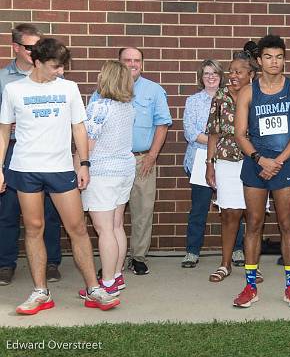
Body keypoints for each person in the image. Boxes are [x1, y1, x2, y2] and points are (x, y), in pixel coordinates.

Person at [0, 38, 119, 314]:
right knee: (34, 229)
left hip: (61, 168)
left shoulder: (69, 89)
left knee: (77, 228)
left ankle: (94, 289)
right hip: (25, 168)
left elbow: (79, 127)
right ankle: (41, 292)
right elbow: (4, 130)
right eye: (55, 66)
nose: (60, 71)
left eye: (62, 67)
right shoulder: (14, 89)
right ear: (37, 62)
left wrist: (85, 163)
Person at [233, 35, 290, 308]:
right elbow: (239, 133)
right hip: (255, 166)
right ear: (259, 60)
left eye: (278, 57)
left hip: (285, 166)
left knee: (287, 225)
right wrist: (259, 158)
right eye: (268, 57)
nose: (274, 62)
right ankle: (250, 286)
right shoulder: (248, 92)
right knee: (253, 224)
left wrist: (277, 161)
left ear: (284, 59)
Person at [94, 47, 172, 276]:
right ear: (119, 64)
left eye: (136, 60)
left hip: (141, 160)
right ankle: (111, 262)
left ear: (142, 64)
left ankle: (138, 257)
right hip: (109, 163)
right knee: (108, 216)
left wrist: (152, 156)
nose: (132, 64)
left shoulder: (154, 90)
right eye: (127, 60)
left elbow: (162, 124)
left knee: (142, 210)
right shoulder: (102, 91)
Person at [0, 24, 63, 286]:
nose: (35, 51)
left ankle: (51, 262)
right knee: (8, 210)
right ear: (15, 47)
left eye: (38, 47)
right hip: (13, 149)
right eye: (29, 47)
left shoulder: (53, 78)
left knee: (50, 210)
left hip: (47, 149)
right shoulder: (4, 79)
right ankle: (5, 263)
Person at [80, 60, 135, 296]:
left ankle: (108, 282)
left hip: (102, 173)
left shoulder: (98, 107)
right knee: (116, 225)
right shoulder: (128, 107)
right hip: (124, 170)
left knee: (104, 230)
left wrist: (77, 168)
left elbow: (87, 145)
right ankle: (117, 275)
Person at [204, 51, 260, 283]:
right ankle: (225, 264)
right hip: (227, 161)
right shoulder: (220, 96)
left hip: (255, 161)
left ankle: (252, 267)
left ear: (251, 74)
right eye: (231, 71)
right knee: (229, 213)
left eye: (238, 72)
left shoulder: (260, 96)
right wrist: (210, 164)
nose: (233, 75)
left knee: (254, 215)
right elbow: (213, 133)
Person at [181, 59, 224, 268]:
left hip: (227, 159)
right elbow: (190, 132)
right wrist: (216, 140)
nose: (211, 77)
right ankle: (192, 251)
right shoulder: (193, 101)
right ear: (201, 77)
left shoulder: (230, 99)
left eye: (214, 73)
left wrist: (219, 141)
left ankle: (237, 249)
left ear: (221, 76)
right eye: (207, 73)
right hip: (199, 158)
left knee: (232, 206)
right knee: (199, 208)